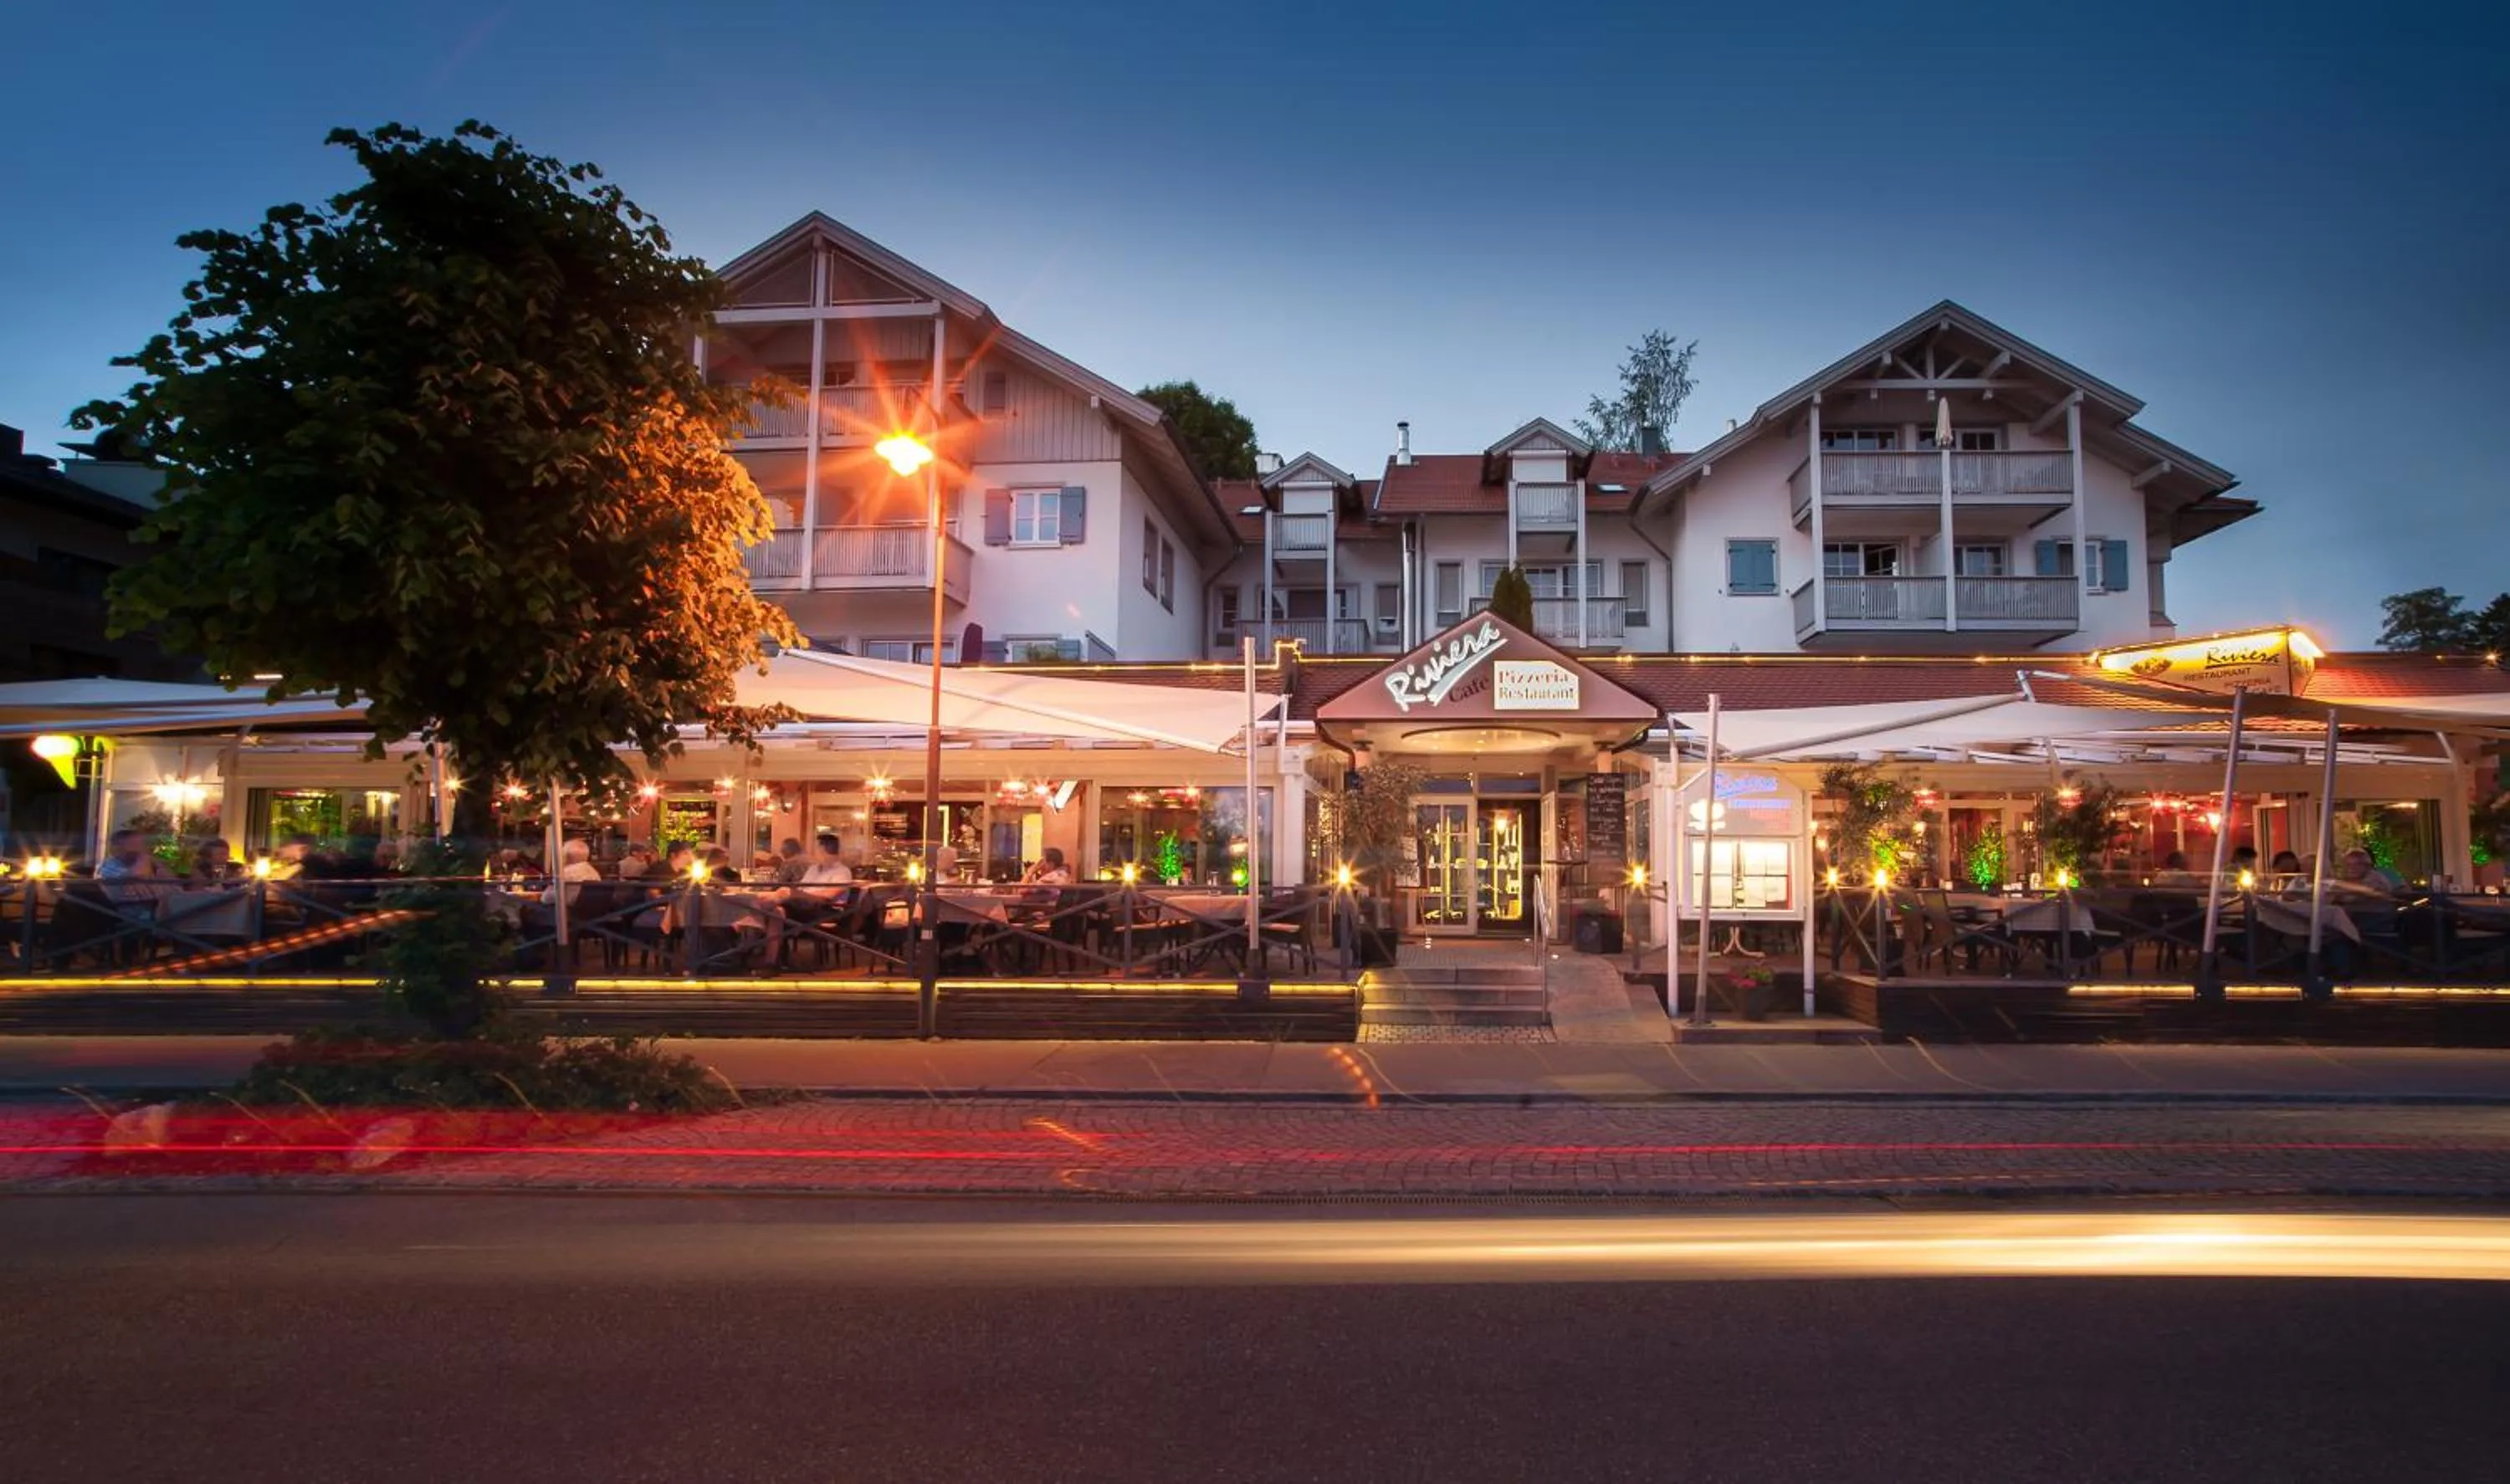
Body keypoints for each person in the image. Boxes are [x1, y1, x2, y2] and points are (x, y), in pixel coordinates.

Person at [96, 829, 166, 907]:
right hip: (126, 911)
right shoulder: (107, 865)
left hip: (157, 908)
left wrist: (159, 866)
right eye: (133, 845)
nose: (140, 849)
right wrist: (144, 858)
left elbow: (173, 886)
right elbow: (136, 875)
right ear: (116, 848)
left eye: (141, 845)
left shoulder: (143, 864)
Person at [539, 839, 602, 908]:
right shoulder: (595, 873)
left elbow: (545, 899)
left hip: (565, 914)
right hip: (590, 915)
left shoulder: (565, 873)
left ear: (566, 856)